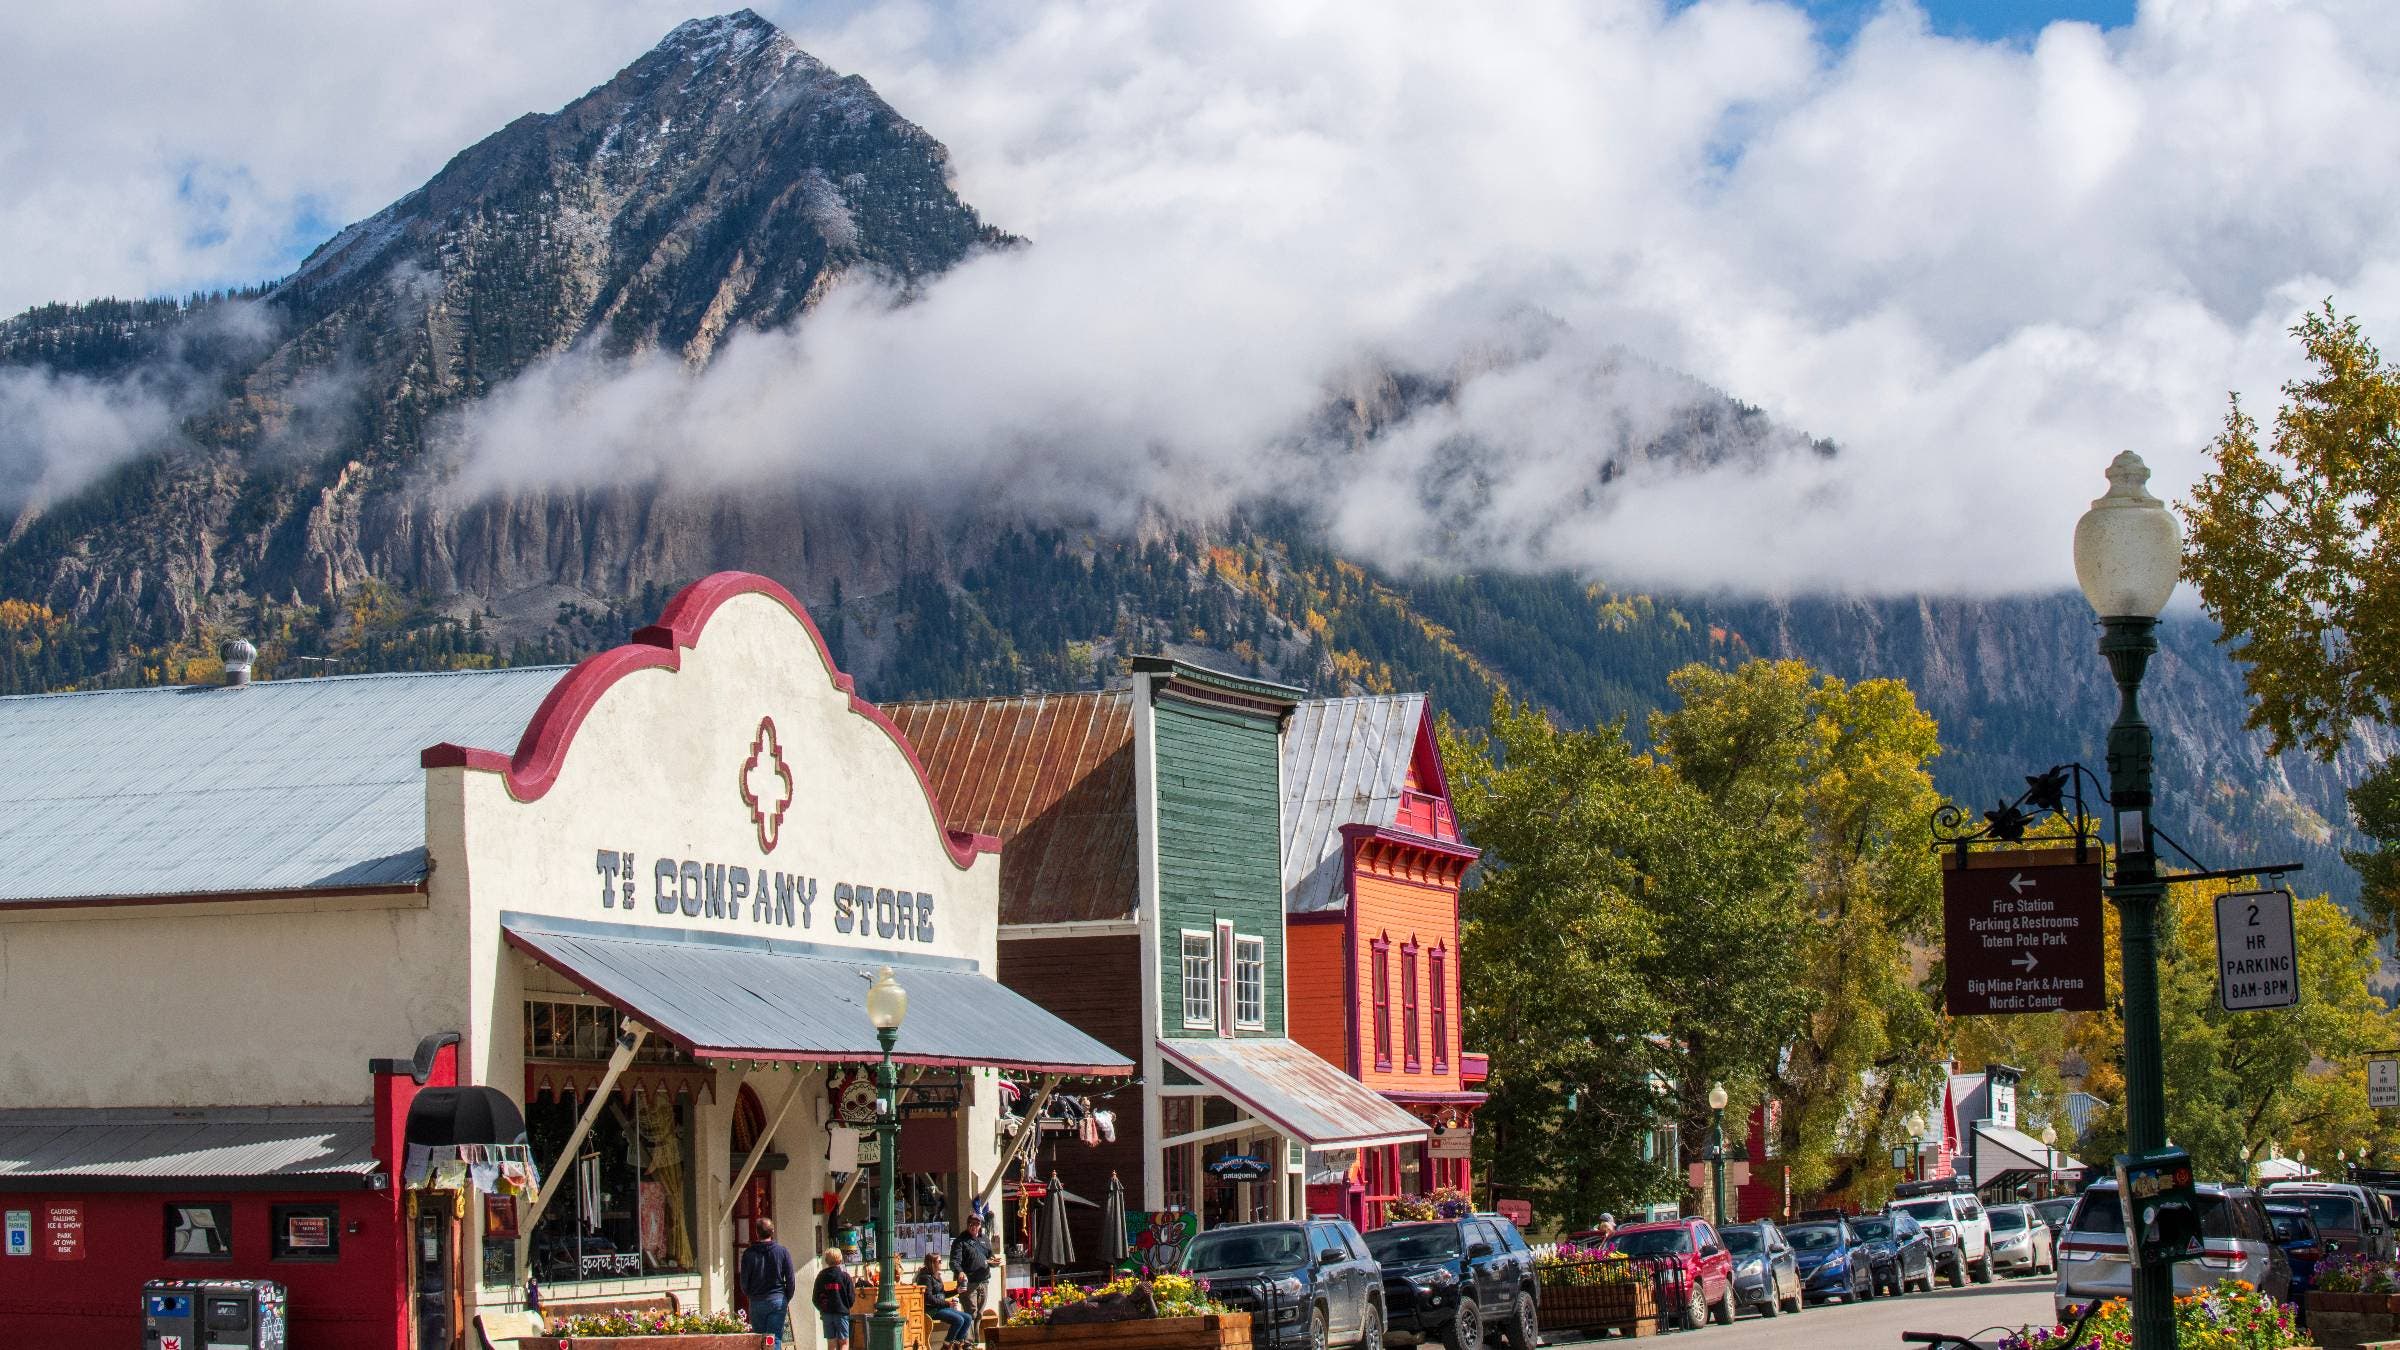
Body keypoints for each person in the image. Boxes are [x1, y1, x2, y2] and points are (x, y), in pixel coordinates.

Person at [739, 1219, 797, 1350]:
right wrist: (786, 1297)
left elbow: (743, 1280)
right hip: (777, 1300)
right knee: (773, 1338)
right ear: (773, 1231)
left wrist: (750, 1294)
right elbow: (790, 1279)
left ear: (757, 1233)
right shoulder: (782, 1252)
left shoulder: (749, 1254)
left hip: (757, 1301)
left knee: (758, 1340)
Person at [950, 1212, 997, 1335]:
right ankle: (968, 1343)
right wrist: (960, 1272)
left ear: (980, 1225)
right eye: (971, 1224)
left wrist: (994, 1261)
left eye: (976, 1224)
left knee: (980, 1313)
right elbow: (954, 1261)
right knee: (971, 1312)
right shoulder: (961, 1241)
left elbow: (990, 1255)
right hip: (969, 1282)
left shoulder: (985, 1239)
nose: (973, 1226)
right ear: (967, 1225)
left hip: (984, 1280)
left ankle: (975, 1339)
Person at [920, 1252, 974, 1343]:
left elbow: (942, 1293)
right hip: (932, 1310)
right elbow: (928, 1298)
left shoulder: (937, 1275)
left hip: (941, 1307)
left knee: (968, 1318)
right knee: (959, 1320)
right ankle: (947, 1345)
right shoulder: (925, 1278)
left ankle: (958, 1343)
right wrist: (947, 1303)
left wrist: (956, 1291)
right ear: (933, 1263)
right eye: (939, 1261)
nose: (941, 1263)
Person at [811, 1245, 857, 1350]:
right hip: (841, 1313)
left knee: (831, 1344)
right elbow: (851, 1297)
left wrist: (822, 1308)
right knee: (844, 1343)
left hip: (827, 1314)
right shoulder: (845, 1276)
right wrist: (846, 1307)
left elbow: (815, 1297)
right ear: (840, 1259)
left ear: (826, 1260)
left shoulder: (821, 1276)